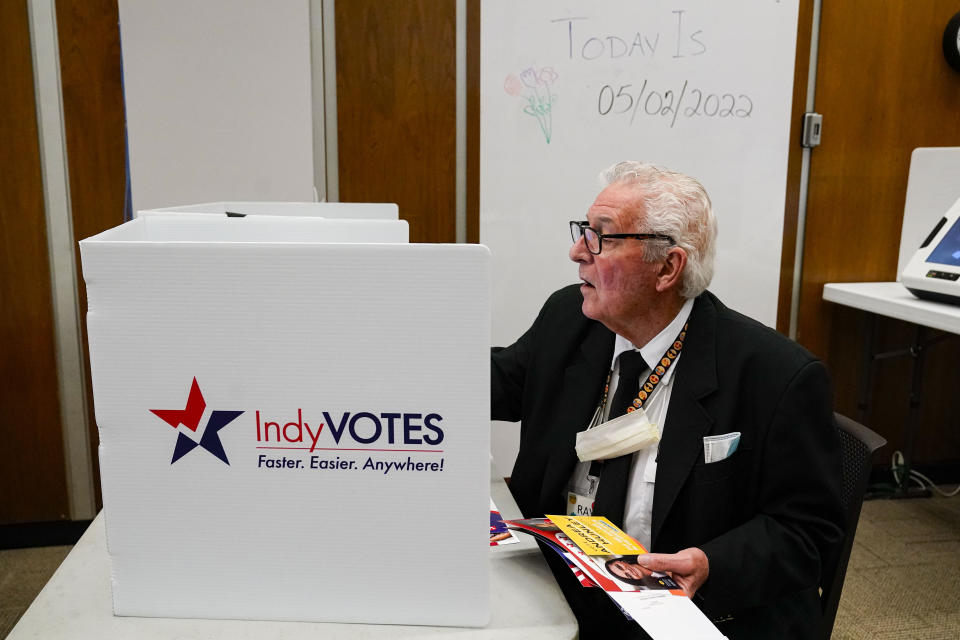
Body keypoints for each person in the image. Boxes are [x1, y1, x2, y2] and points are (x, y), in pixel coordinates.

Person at [491, 161, 845, 639]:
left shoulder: (775, 376)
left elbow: (808, 534)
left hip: (686, 614)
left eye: (603, 237)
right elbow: (496, 382)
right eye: (583, 231)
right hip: (561, 593)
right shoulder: (569, 320)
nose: (578, 251)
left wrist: (710, 564)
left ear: (667, 268)